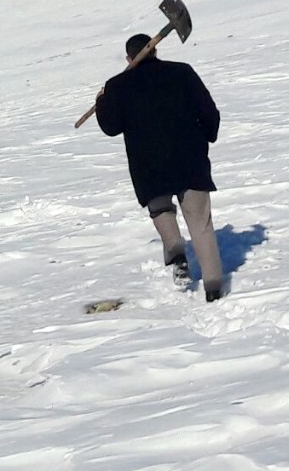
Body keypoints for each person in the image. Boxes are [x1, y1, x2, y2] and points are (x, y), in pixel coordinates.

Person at [95, 33, 224, 302]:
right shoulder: (182, 73)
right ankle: (213, 289)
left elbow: (110, 127)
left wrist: (102, 102)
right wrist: (207, 137)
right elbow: (209, 112)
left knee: (161, 209)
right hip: (191, 161)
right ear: (155, 51)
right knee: (201, 225)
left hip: (149, 166)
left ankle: (176, 253)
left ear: (130, 59)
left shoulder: (118, 86)